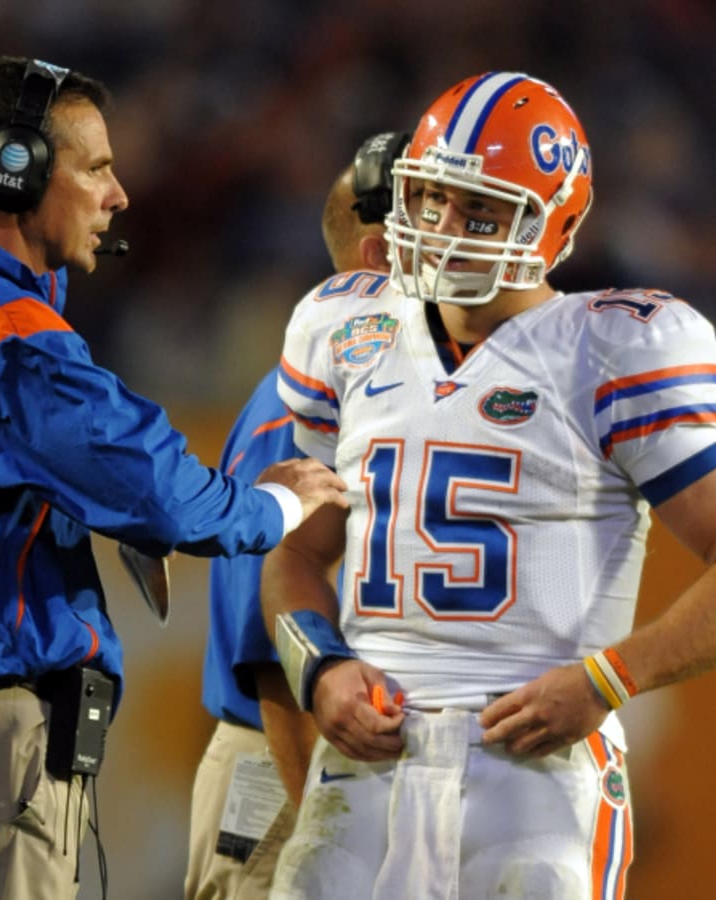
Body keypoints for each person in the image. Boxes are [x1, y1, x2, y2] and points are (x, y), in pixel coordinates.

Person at [0, 55, 347, 900]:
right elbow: (161, 489)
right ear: (18, 171)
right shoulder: (2, 332)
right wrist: (278, 502)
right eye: (95, 167)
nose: (117, 194)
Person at [264, 71, 716, 898]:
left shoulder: (608, 349)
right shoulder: (347, 329)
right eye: (436, 200)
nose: (448, 231)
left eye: (484, 213)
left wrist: (606, 681)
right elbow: (297, 556)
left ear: (559, 225)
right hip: (366, 763)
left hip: (535, 771)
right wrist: (321, 668)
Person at [185, 130, 407, 900]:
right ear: (380, 252)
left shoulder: (384, 381)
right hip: (283, 760)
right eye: (433, 224)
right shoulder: (313, 389)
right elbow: (270, 639)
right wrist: (328, 824)